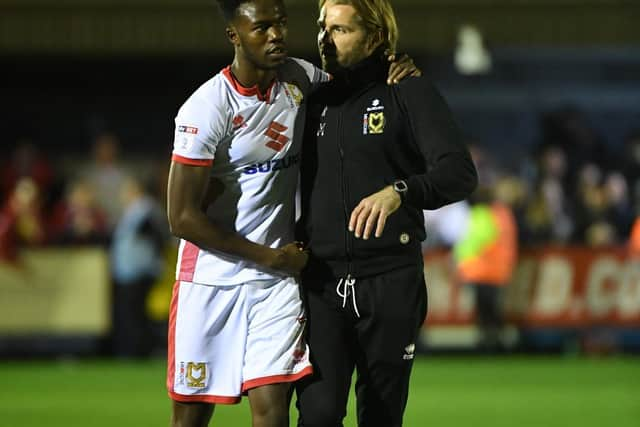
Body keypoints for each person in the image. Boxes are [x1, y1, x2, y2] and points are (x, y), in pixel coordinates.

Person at [165, 1, 419, 426]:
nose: (275, 35)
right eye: (261, 27)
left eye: (280, 24)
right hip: (213, 280)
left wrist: (396, 66)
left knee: (272, 410)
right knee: (190, 418)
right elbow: (182, 218)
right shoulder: (206, 108)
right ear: (235, 36)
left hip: (275, 284)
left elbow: (359, 80)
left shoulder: (300, 77)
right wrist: (270, 256)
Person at [295, 1, 478, 426]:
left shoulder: (407, 90)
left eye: (340, 30)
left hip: (391, 281)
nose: (325, 38)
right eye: (323, 27)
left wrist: (401, 190)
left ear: (375, 37)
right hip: (321, 283)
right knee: (317, 415)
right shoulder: (308, 95)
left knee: (380, 417)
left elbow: (459, 174)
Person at [111, 177, 167, 358]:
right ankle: (138, 349)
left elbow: (156, 235)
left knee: (135, 313)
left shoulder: (144, 209)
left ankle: (139, 350)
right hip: (131, 269)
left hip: (139, 268)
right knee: (134, 312)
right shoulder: (135, 210)